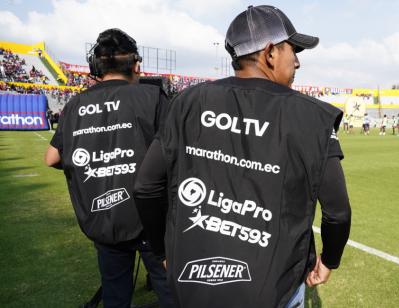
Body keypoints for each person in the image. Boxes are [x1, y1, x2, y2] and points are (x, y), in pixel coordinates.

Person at [133, 5, 351, 307]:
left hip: (193, 282)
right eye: (294, 49)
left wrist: (163, 253)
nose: (298, 61)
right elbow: (338, 211)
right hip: (275, 289)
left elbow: (146, 186)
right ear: (271, 52)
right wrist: (330, 260)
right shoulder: (313, 116)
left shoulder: (186, 102)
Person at [44, 29, 175, 308]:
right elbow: (177, 154)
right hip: (151, 222)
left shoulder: (76, 104)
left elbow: (51, 158)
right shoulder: (152, 97)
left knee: (116, 296)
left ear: (96, 67)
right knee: (170, 293)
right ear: (136, 64)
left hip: (104, 221)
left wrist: (95, 167)